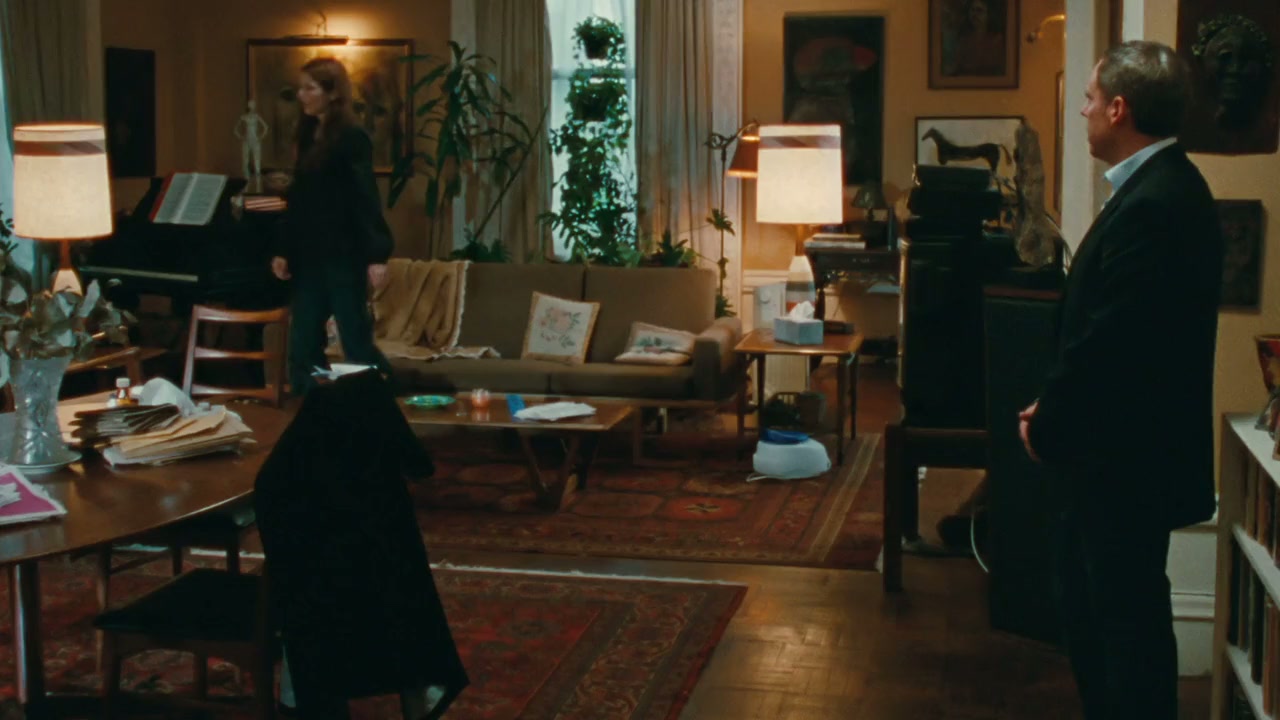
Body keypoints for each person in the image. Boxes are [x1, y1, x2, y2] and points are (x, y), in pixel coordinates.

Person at [1018, 41, 1223, 719]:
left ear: (1119, 109)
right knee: (1106, 621)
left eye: (1089, 98)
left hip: (1123, 465)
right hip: (1121, 457)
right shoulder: (1156, 188)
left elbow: (1113, 343)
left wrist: (1049, 420)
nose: (1081, 111)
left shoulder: (1156, 201)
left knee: (1121, 634)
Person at [270, 56, 393, 396]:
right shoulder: (308, 135)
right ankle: (316, 405)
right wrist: (283, 249)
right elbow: (299, 200)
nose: (302, 95)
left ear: (333, 93)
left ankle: (379, 399)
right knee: (303, 344)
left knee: (355, 340)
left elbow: (364, 197)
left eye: (310, 88)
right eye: (301, 88)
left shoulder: (352, 137)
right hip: (309, 255)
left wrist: (377, 255)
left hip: (343, 255)